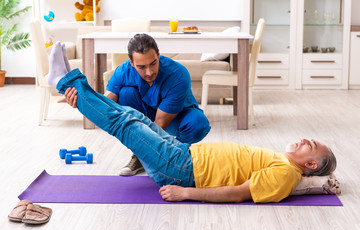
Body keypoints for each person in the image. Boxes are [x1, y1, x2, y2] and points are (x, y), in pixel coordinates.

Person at [47, 42, 337, 203]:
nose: (303, 139)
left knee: (125, 124)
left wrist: (187, 193)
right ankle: (71, 84)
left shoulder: (285, 175)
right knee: (130, 115)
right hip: (184, 155)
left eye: (309, 145)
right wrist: (84, 101)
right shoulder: (283, 164)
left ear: (310, 164)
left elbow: (238, 194)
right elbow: (110, 99)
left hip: (182, 170)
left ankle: (65, 81)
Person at [64, 33, 211, 176]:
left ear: (158, 55)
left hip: (176, 117)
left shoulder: (177, 74)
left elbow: (160, 124)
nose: (149, 72)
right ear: (131, 63)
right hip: (145, 112)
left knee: (197, 124)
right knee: (126, 93)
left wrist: (159, 156)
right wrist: (83, 102)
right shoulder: (122, 71)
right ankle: (140, 157)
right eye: (141, 67)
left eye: (153, 63)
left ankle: (179, 155)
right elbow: (106, 105)